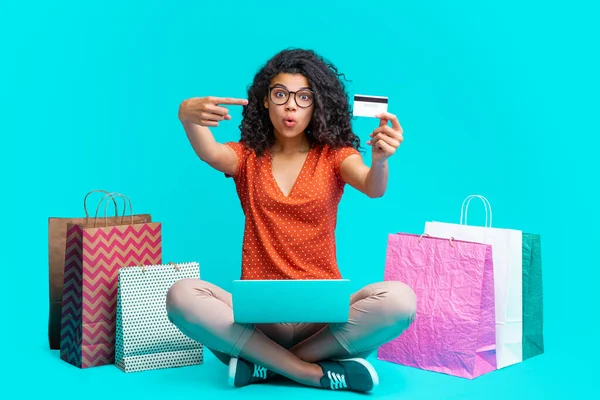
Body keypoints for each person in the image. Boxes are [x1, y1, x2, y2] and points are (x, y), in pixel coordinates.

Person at [166, 48, 416, 393]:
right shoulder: (246, 157)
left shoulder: (334, 157)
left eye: (303, 97)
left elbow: (374, 188)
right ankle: (310, 373)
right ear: (265, 101)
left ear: (317, 105)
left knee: (400, 301)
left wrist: (381, 160)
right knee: (181, 296)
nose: (291, 106)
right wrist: (186, 115)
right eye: (280, 94)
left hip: (323, 325)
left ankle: (263, 366)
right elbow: (209, 150)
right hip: (259, 322)